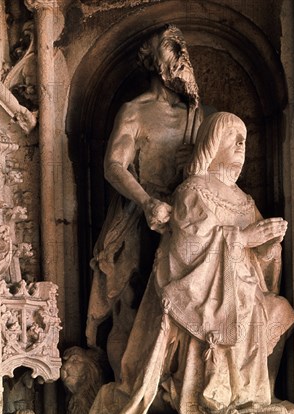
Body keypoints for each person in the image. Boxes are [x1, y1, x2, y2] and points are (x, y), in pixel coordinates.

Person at [79, 112, 294, 414]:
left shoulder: (245, 201)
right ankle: (212, 407)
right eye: (234, 138)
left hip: (241, 288)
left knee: (279, 310)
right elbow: (185, 251)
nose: (242, 145)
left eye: (245, 139)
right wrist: (243, 239)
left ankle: (258, 397)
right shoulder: (194, 190)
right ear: (213, 144)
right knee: (240, 313)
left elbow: (262, 264)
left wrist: (269, 248)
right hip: (200, 296)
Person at [86, 24, 204, 376]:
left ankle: (181, 384)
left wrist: (198, 164)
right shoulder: (134, 112)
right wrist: (147, 201)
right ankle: (128, 387)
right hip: (139, 213)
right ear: (157, 66)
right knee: (132, 304)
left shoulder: (198, 115)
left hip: (185, 216)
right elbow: (114, 166)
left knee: (190, 305)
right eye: (173, 63)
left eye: (183, 63)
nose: (180, 71)